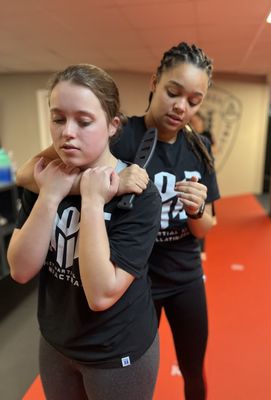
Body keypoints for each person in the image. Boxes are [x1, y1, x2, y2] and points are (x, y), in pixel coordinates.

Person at [16, 42, 220, 400]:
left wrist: (197, 210)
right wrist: (102, 184)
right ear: (155, 82)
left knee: (193, 364)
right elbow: (27, 174)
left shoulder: (199, 147)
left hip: (182, 273)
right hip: (133, 275)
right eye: (173, 92)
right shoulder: (120, 132)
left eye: (194, 100)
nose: (180, 106)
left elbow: (205, 228)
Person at [7, 64, 162, 400]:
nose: (67, 132)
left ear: (112, 125)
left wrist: (93, 201)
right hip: (56, 341)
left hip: (116, 351)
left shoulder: (139, 194)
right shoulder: (43, 180)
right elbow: (20, 270)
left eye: (84, 120)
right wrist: (50, 194)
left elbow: (101, 294)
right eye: (58, 118)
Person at [188, 111, 218, 261]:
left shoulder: (205, 137)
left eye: (197, 121)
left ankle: (202, 249)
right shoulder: (186, 138)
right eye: (192, 122)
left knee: (202, 212)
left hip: (204, 173)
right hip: (191, 177)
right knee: (193, 210)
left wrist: (206, 151)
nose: (195, 124)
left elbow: (215, 151)